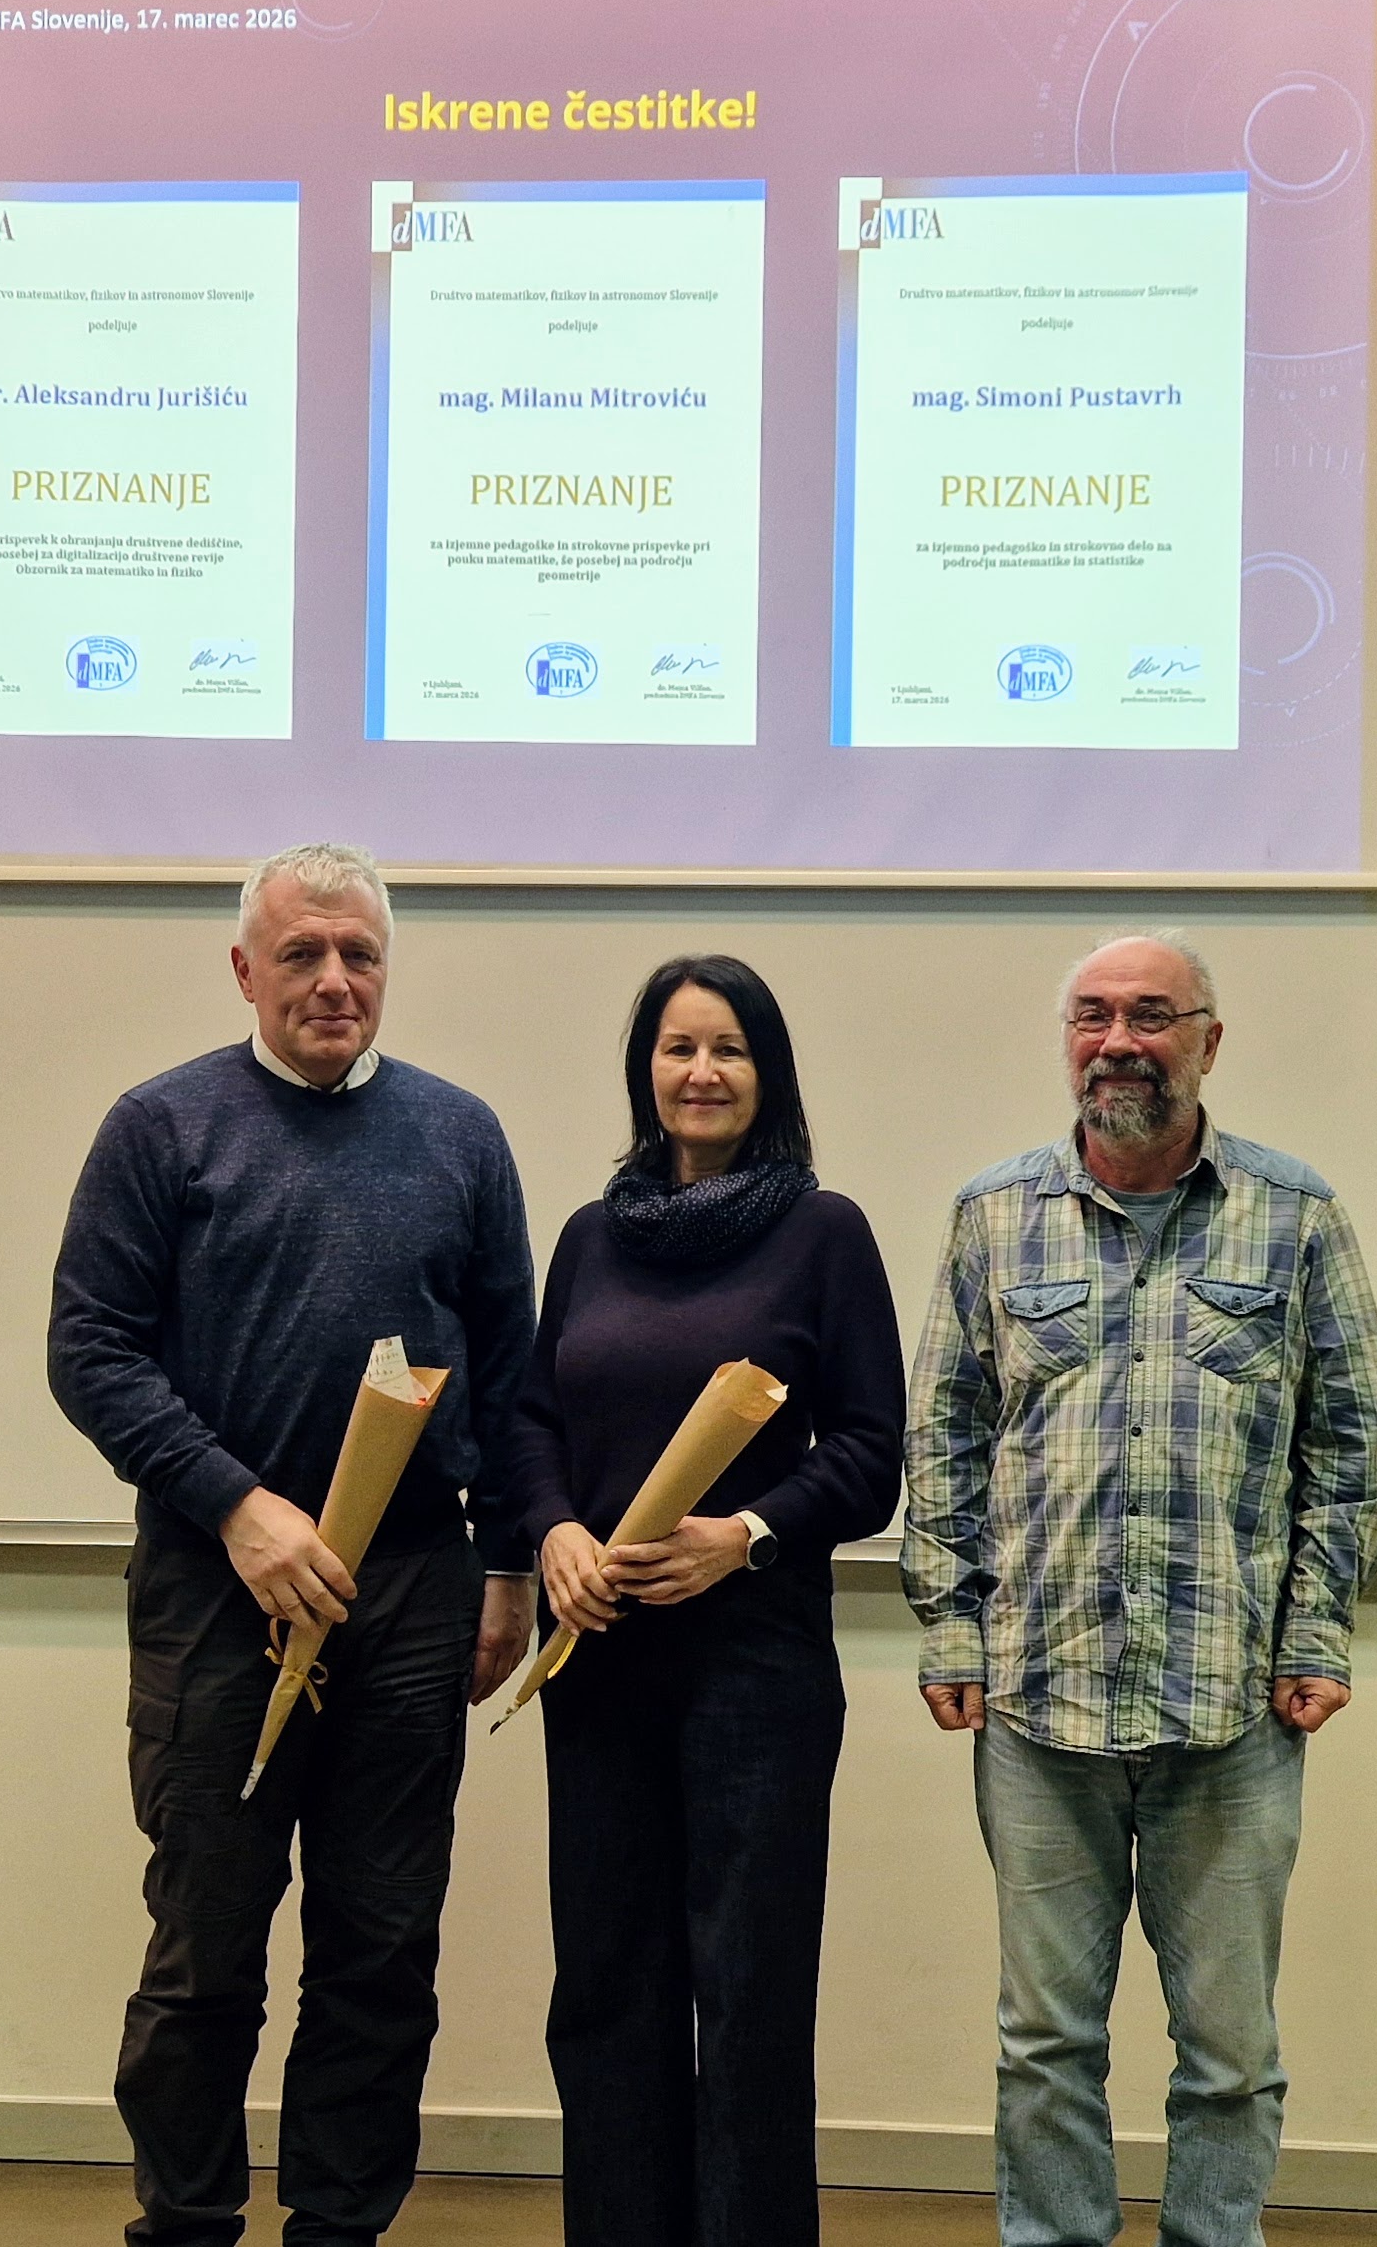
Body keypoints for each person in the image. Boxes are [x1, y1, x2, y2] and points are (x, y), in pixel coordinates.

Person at [47, 842, 538, 2247]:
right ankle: (188, 2222)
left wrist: (506, 1566)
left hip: (413, 1590)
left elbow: (511, 1376)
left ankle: (338, 2228)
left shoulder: (461, 1136)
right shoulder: (162, 1128)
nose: (334, 980)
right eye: (303, 954)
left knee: (381, 1951)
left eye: (359, 954)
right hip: (219, 1590)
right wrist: (237, 1505)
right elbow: (91, 1351)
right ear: (245, 969)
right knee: (207, 1946)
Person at [902, 932, 1377, 2247]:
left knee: (1230, 2055)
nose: (1118, 1042)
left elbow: (1359, 1446)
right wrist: (951, 1625)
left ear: (1208, 1042)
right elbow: (944, 1437)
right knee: (1044, 2048)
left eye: (1151, 1015)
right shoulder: (992, 1215)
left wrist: (1316, 1632)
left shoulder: (1295, 1214)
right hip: (1039, 1704)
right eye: (1092, 1016)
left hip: (1233, 1711)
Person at [508, 954, 905, 2247]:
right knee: (606, 1990)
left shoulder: (824, 1233)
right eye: (679, 1047)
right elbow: (531, 1421)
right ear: (647, 1072)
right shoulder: (591, 1237)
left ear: (767, 1073)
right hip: (601, 1660)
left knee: (747, 1997)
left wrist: (743, 1537)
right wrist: (555, 1533)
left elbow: (870, 1452)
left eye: (729, 1048)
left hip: (755, 1669)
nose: (702, 1071)